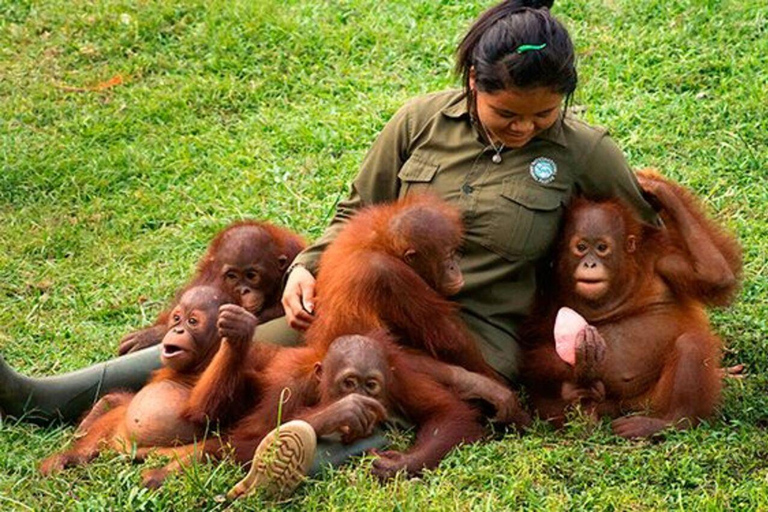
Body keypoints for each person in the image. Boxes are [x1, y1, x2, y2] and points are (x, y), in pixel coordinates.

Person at [1, 0, 658, 494]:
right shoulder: (421, 121)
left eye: (543, 115)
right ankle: (49, 394)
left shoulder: (583, 149)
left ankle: (289, 457)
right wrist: (310, 268)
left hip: (470, 334)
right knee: (257, 349)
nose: (525, 128)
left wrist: (649, 336)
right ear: (473, 85)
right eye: (507, 113)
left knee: (379, 388)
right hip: (363, 306)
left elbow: (641, 237)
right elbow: (355, 207)